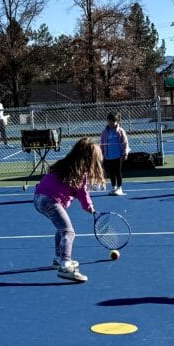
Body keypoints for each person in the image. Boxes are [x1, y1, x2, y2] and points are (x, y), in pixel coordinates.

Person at [33, 138, 105, 283]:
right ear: (90, 158)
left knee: (61, 229)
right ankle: (65, 265)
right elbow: (83, 193)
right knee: (68, 232)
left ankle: (58, 258)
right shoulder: (79, 173)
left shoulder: (63, 164)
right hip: (50, 201)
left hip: (38, 198)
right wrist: (90, 207)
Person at [99, 111, 131, 196]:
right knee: (111, 172)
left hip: (118, 156)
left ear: (117, 121)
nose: (110, 123)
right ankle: (113, 187)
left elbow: (125, 143)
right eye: (109, 121)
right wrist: (101, 155)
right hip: (108, 156)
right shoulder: (104, 132)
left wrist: (125, 153)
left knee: (117, 172)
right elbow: (102, 144)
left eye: (113, 121)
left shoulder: (120, 131)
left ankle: (119, 188)